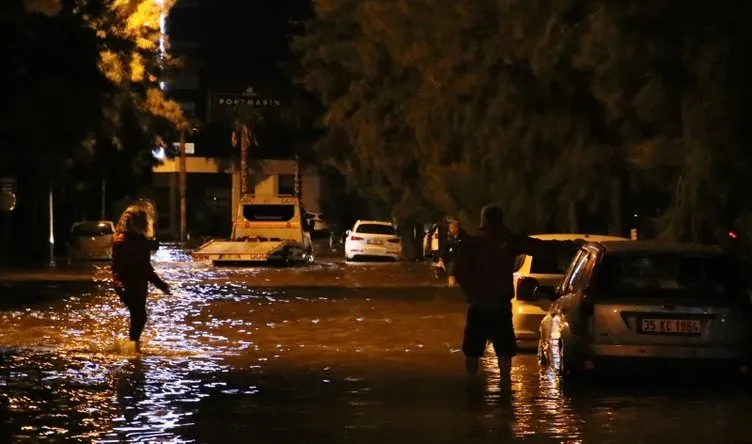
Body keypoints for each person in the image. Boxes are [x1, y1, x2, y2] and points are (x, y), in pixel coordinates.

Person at [454, 203, 583, 387]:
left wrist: (472, 292)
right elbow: (541, 247)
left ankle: (472, 385)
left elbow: (460, 272)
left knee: (472, 350)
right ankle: (505, 385)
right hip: (501, 306)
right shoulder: (508, 240)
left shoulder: (472, 243)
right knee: (504, 350)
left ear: (483, 220)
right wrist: (573, 246)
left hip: (478, 305)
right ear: (500, 220)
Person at [112, 207, 171, 353]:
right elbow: (116, 268)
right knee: (139, 316)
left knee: (139, 317)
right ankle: (133, 350)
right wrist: (120, 287)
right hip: (128, 285)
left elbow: (146, 268)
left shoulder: (142, 241)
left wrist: (161, 285)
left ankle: (133, 349)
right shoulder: (122, 241)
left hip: (139, 285)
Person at [439, 219, 468, 287]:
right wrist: (441, 257)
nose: (450, 230)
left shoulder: (464, 237)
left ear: (456, 228)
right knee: (451, 273)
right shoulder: (450, 238)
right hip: (452, 260)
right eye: (450, 228)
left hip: (461, 259)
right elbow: (446, 248)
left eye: (451, 228)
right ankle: (452, 287)